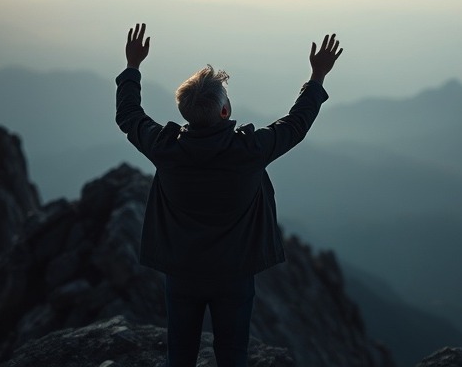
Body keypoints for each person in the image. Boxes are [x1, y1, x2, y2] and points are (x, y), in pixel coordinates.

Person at [115, 23, 343, 367]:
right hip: (234, 273)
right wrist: (318, 75)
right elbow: (297, 123)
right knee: (233, 353)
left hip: (181, 270)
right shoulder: (249, 150)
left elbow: (129, 115)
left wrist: (133, 66)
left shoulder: (165, 147)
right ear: (224, 112)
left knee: (180, 352)